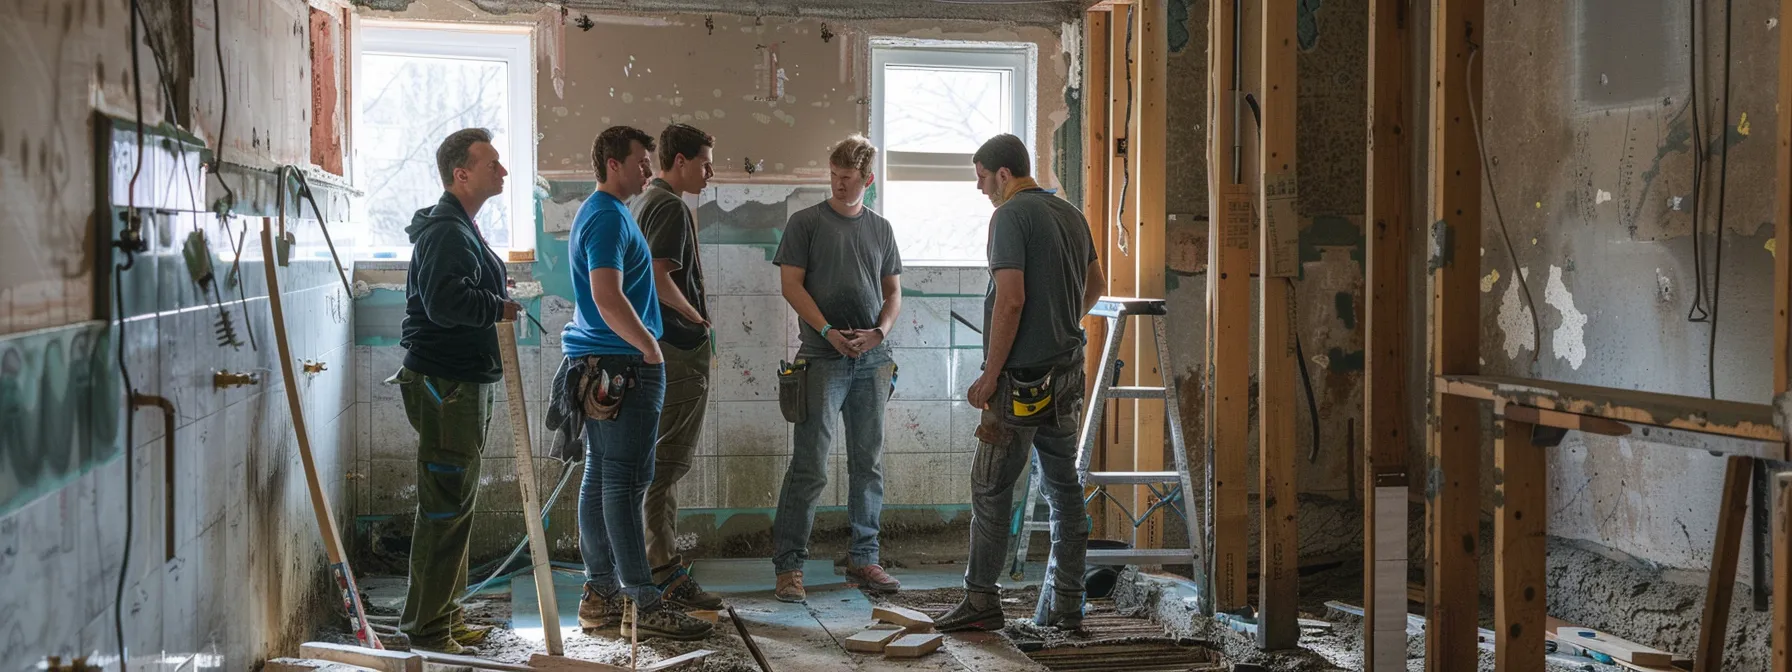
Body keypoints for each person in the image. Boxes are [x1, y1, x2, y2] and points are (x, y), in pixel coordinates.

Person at [936, 133, 1105, 633]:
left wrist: (990, 375)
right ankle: (1068, 605)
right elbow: (1097, 285)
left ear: (1003, 174)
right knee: (1063, 488)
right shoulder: (1070, 213)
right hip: (1066, 374)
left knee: (990, 487)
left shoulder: (1009, 217)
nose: (980, 188)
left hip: (1020, 384)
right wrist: (1057, 322)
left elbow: (1010, 300)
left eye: (982, 177)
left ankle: (981, 601)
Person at [566, 125, 714, 641]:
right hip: (622, 363)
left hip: (601, 360)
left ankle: (602, 594)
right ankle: (641, 600)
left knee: (602, 479)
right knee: (626, 485)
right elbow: (607, 294)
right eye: (641, 162)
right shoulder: (607, 217)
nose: (648, 171)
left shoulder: (605, 212)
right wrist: (649, 348)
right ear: (613, 163)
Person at [393, 127, 522, 654]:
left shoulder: (460, 226)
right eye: (493, 163)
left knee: (454, 504)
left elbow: (456, 293)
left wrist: (495, 299)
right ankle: (428, 631)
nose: (504, 171)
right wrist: (499, 307)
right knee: (446, 507)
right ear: (461, 174)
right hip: (447, 384)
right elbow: (446, 305)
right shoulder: (447, 230)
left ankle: (441, 617)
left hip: (460, 382)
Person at [769, 134, 904, 602]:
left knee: (868, 463)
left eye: (848, 179)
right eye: (833, 176)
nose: (839, 185)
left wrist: (879, 335)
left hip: (872, 358)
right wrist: (828, 332)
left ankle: (865, 559)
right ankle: (789, 566)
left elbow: (893, 293)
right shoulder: (806, 223)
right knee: (810, 465)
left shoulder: (881, 229)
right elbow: (791, 285)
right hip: (822, 359)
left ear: (867, 179)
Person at [630, 123, 725, 610]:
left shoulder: (643, 201)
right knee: (665, 465)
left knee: (657, 463)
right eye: (705, 162)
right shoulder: (668, 205)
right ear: (681, 161)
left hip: (658, 345)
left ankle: (658, 567)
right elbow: (660, 273)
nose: (710, 173)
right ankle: (663, 573)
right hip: (676, 348)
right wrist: (697, 318)